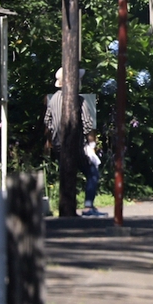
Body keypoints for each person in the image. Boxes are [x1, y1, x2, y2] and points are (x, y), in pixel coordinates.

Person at [45, 67, 99, 215]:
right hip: (76, 145)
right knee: (93, 173)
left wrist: (50, 142)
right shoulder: (79, 99)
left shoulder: (53, 98)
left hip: (58, 145)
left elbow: (48, 123)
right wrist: (92, 146)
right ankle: (88, 207)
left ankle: (65, 207)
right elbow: (88, 125)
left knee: (66, 174)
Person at [82, 132, 103, 216]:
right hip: (84, 148)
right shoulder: (90, 118)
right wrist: (92, 145)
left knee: (92, 175)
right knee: (93, 175)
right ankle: (88, 207)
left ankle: (89, 205)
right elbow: (90, 131)